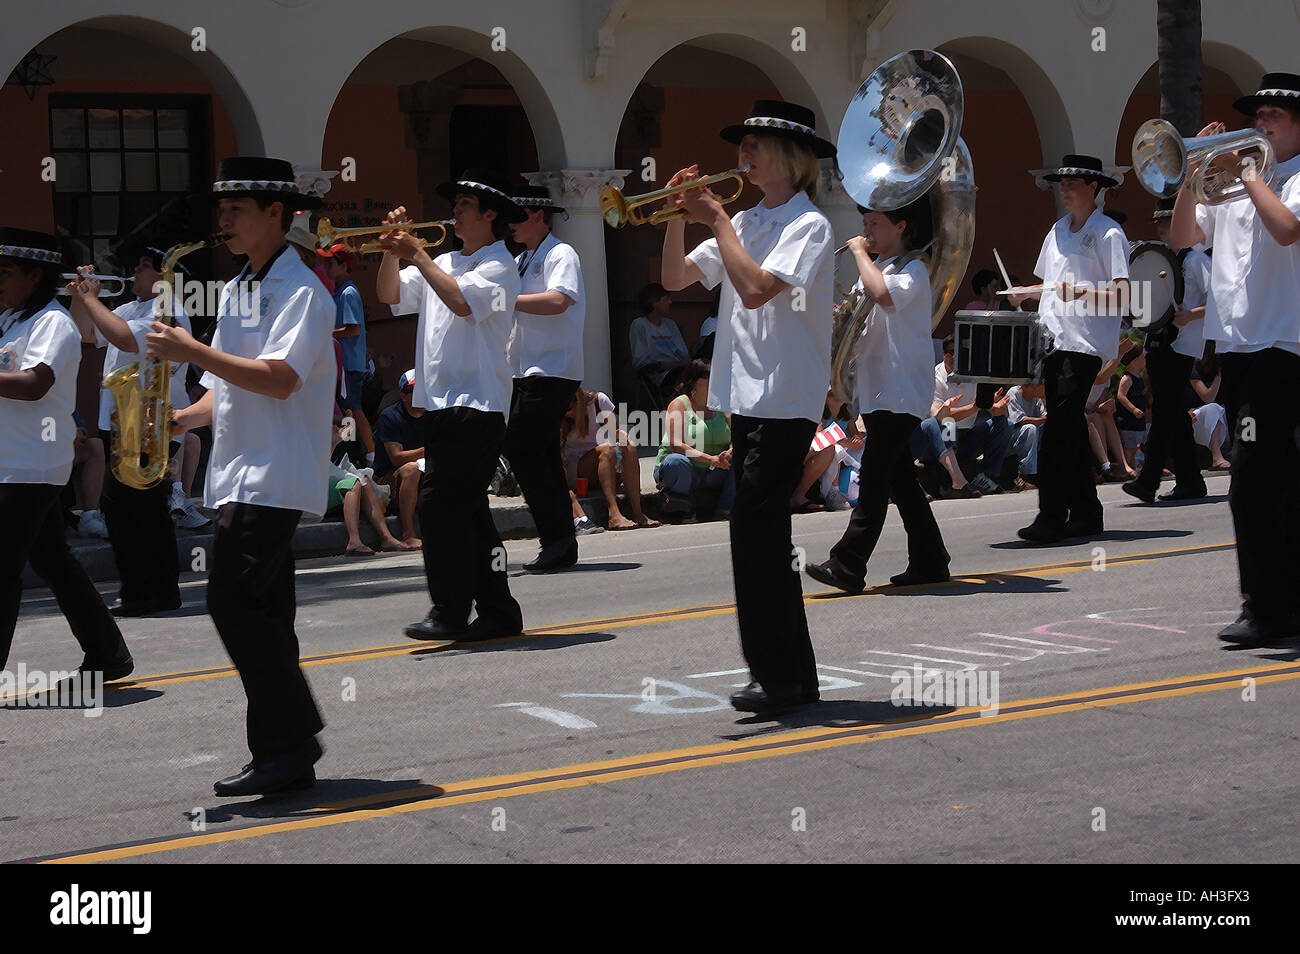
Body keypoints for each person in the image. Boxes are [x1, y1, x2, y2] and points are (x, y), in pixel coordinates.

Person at [147, 157, 335, 796]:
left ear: (277, 214)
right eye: (220, 210)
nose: (223, 220)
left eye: (237, 209)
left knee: (233, 601)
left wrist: (192, 349)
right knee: (263, 611)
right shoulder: (238, 289)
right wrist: (177, 419)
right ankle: (284, 753)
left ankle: (293, 734)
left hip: (275, 472)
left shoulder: (304, 289)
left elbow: (280, 380)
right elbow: (221, 392)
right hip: (236, 470)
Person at [662, 99, 836, 714]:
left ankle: (778, 675)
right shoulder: (746, 220)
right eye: (746, 141)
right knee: (759, 535)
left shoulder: (808, 224)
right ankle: (791, 675)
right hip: (749, 399)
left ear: (791, 155)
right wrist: (679, 216)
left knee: (757, 533)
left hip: (787, 397)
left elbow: (759, 291)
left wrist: (719, 223)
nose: (746, 150)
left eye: (758, 141)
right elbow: (677, 280)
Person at [1170, 72, 1300, 646]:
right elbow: (1181, 240)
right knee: (1270, 479)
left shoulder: (1290, 180)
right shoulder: (1233, 186)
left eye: (1274, 116)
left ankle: (1265, 608)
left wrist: (1250, 176)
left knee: (1252, 478)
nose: (1261, 124)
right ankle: (1278, 602)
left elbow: (1288, 229)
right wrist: (1189, 179)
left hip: (1284, 346)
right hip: (1238, 349)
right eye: (1258, 115)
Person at [377, 169, 526, 637]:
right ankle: (500, 612)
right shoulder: (444, 261)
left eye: (465, 204)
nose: (455, 210)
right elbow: (389, 295)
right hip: (442, 404)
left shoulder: (501, 266)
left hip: (477, 404)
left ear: (489, 216)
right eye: (457, 202)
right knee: (469, 515)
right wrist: (388, 249)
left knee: (440, 506)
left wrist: (417, 254)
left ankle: (449, 611)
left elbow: (462, 304)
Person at [1, 227, 133, 683]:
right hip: (11, 463)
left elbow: (35, 384)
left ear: (35, 275)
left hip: (29, 466)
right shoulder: (10, 321)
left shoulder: (51, 322)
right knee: (53, 559)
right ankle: (108, 653)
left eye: (5, 272)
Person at [805, 199, 952, 594]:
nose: (867, 231)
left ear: (901, 226)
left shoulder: (914, 269)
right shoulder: (876, 271)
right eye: (864, 224)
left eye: (875, 224)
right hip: (877, 391)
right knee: (901, 481)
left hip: (900, 392)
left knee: (872, 480)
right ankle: (931, 560)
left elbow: (883, 297)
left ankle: (848, 564)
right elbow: (855, 317)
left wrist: (856, 252)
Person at [1010, 154, 1130, 543]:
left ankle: (1051, 515)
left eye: (1072, 183)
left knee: (1060, 430)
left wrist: (1081, 291)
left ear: (1094, 187)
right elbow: (1047, 286)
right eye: (1061, 184)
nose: (1064, 189)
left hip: (1083, 344)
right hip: (1052, 341)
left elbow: (1123, 297)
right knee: (1070, 428)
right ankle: (1086, 513)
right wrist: (1024, 295)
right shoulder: (1057, 230)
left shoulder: (1109, 233)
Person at [66, 247, 189, 616]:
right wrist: (80, 298)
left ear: (166, 278)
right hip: (121, 420)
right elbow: (83, 333)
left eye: (145, 266)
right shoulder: (125, 309)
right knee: (123, 511)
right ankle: (145, 590)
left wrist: (92, 299)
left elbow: (125, 340)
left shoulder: (169, 311)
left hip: (151, 420)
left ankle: (152, 592)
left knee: (144, 511)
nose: (135, 270)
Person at [504, 183, 586, 572]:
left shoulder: (560, 252)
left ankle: (558, 539)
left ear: (538, 216)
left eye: (517, 216)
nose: (510, 224)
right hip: (526, 371)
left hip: (551, 370)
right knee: (532, 454)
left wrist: (505, 300)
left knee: (527, 450)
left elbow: (559, 300)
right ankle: (558, 540)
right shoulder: (522, 258)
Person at [1123, 198, 1213, 504]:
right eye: (1159, 223)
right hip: (1159, 341)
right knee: (1172, 412)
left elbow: (1221, 300)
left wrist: (1191, 314)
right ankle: (1190, 480)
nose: (1162, 229)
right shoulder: (1158, 259)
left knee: (1163, 411)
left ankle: (1148, 481)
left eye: (1167, 222)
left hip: (1183, 343)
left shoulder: (1197, 260)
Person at [914, 334, 1012, 495]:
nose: (959, 356)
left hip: (966, 437)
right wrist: (976, 407)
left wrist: (996, 407)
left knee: (1004, 423)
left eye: (964, 352)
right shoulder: (934, 377)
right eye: (953, 352)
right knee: (948, 424)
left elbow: (991, 409)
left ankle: (986, 476)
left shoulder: (973, 375)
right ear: (946, 355)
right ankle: (948, 484)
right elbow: (939, 414)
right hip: (936, 442)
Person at [562, 387, 660, 530]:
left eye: (569, 409)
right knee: (606, 450)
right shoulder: (562, 417)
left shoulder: (599, 401)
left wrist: (622, 452)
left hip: (605, 462)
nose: (568, 414)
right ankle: (613, 514)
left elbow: (616, 433)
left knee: (628, 446)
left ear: (579, 401)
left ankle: (638, 513)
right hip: (577, 467)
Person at [654, 359, 734, 519]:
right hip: (687, 469)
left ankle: (726, 509)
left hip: (716, 469)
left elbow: (737, 436)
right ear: (692, 380)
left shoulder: (724, 404)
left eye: (716, 375)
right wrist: (710, 459)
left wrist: (731, 452)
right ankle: (685, 508)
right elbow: (676, 445)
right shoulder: (679, 404)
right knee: (675, 461)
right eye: (707, 375)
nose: (713, 379)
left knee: (745, 458)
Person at [319, 243, 375, 464]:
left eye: (330, 263)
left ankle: (370, 454)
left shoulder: (348, 292)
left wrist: (323, 333)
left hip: (350, 364)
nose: (326, 267)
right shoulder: (338, 291)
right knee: (348, 410)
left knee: (355, 409)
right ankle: (351, 452)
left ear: (343, 266)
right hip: (341, 363)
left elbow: (354, 329)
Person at [371, 368, 425, 549]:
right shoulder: (390, 416)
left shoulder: (433, 415)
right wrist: (428, 450)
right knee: (411, 469)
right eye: (416, 390)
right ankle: (408, 533)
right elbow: (396, 458)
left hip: (425, 474)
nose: (422, 394)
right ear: (403, 395)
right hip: (389, 480)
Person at [629, 282, 690, 400]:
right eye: (666, 299)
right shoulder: (640, 325)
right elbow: (642, 362)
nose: (670, 302)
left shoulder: (670, 324)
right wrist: (675, 365)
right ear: (654, 303)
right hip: (659, 375)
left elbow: (683, 354)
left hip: (679, 369)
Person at [1112, 343, 1148, 472]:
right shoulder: (1127, 378)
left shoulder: (1138, 377)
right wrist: (1133, 409)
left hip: (1138, 420)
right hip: (1129, 419)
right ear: (1135, 360)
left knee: (1137, 445)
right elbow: (1121, 395)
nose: (1145, 360)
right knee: (1129, 446)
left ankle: (1135, 466)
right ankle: (1128, 466)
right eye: (1143, 357)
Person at [1006, 382, 1046, 487]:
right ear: (1032, 386)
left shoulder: (1037, 399)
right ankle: (1024, 475)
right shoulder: (1013, 393)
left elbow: (1045, 416)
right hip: (1010, 439)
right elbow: (1020, 420)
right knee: (1030, 428)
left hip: (1030, 438)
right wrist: (1043, 420)